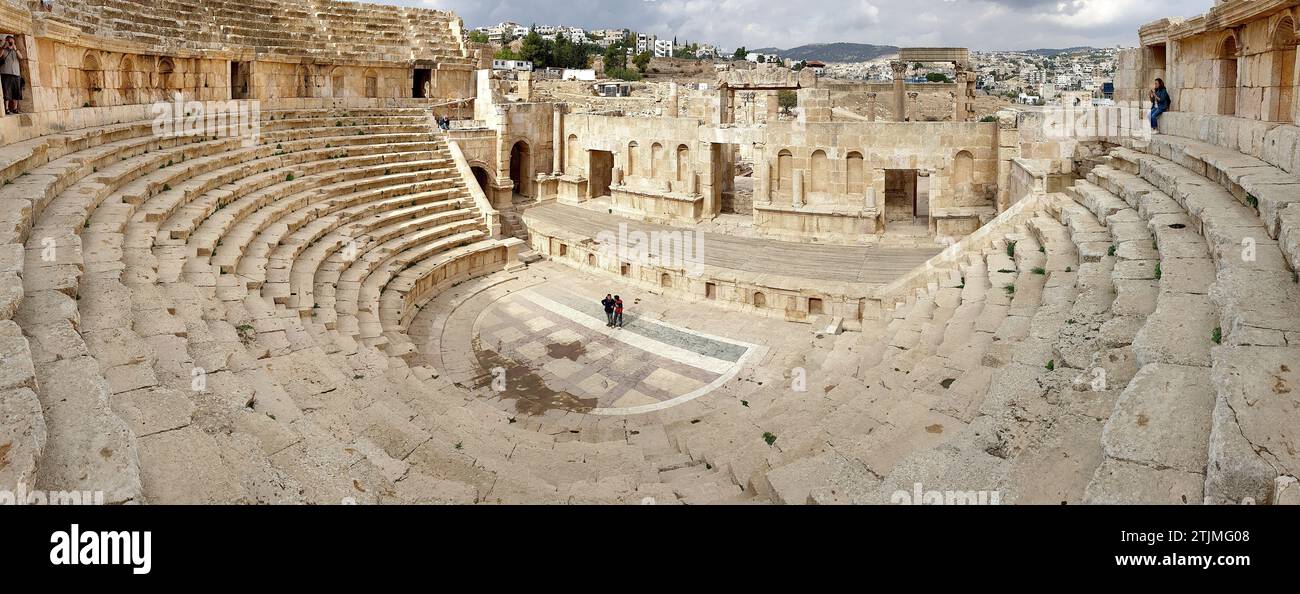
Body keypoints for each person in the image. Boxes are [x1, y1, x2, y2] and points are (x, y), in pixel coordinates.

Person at [1, 36, 23, 116]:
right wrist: (4, 47)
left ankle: (15, 108)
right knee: (6, 91)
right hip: (6, 73)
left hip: (16, 73)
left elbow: (21, 57)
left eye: (12, 41)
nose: (10, 43)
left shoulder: (16, 50)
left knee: (16, 92)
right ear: (6, 41)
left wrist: (15, 49)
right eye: (9, 41)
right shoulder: (3, 49)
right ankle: (6, 109)